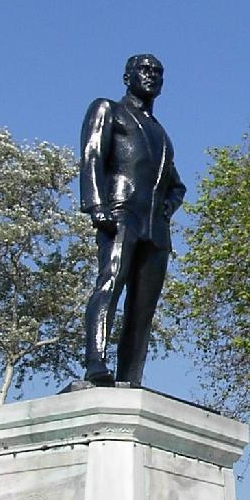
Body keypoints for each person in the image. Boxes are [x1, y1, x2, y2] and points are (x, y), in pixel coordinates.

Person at [80, 53, 186, 386]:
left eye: (158, 72)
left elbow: (177, 185)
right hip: (121, 213)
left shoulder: (162, 134)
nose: (152, 75)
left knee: (143, 309)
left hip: (155, 228)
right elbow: (92, 155)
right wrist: (96, 204)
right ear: (128, 77)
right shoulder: (108, 109)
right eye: (145, 69)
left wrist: (168, 208)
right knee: (110, 284)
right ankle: (95, 362)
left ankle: (131, 376)